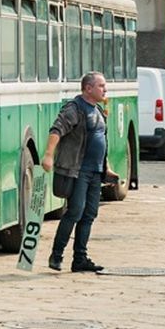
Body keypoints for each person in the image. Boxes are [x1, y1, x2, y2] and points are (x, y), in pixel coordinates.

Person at [41, 71, 120, 272]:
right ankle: (56, 255)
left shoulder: (99, 111)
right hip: (78, 171)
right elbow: (56, 130)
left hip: (96, 172)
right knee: (75, 211)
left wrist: (107, 168)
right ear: (88, 88)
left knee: (89, 214)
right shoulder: (75, 108)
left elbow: (102, 141)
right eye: (101, 86)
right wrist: (49, 155)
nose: (105, 89)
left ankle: (80, 259)